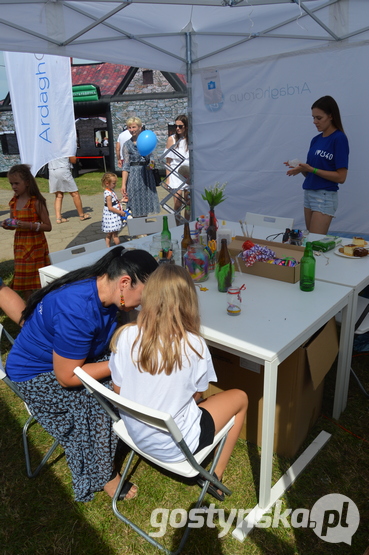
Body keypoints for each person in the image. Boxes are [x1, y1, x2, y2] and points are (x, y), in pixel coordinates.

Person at [5, 247, 158, 503]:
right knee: (103, 398)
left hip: (70, 361)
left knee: (125, 380)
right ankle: (103, 475)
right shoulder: (78, 310)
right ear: (124, 282)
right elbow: (67, 378)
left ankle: (130, 432)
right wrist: (123, 362)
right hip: (37, 376)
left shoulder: (103, 289)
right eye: (144, 296)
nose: (144, 303)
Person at [110, 264, 248, 501]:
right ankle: (216, 473)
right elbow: (198, 393)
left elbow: (118, 389)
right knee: (241, 398)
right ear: (189, 300)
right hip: (176, 444)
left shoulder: (125, 336)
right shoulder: (194, 344)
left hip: (135, 433)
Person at [285, 96, 349, 234]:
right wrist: (302, 168)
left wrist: (311, 169)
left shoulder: (339, 139)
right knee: (310, 241)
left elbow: (341, 177)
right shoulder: (316, 140)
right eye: (313, 118)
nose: (315, 122)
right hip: (309, 193)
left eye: (319, 118)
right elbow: (312, 173)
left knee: (314, 243)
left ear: (331, 116)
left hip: (325, 196)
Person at [1, 164, 52, 300]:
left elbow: (48, 226)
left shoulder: (36, 202)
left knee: (38, 279)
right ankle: (30, 306)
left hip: (36, 247)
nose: (14, 187)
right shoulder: (14, 202)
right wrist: (8, 225)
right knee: (24, 281)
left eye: (17, 183)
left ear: (27, 183)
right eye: (11, 184)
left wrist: (29, 225)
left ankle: (43, 303)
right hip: (21, 247)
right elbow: (14, 223)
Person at [121, 117, 160, 218]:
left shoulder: (147, 140)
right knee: (135, 203)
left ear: (140, 127)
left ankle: (144, 229)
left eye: (134, 127)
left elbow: (152, 158)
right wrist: (123, 184)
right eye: (129, 127)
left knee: (145, 203)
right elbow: (126, 165)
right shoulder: (126, 145)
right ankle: (137, 231)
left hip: (146, 173)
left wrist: (151, 165)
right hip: (134, 176)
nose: (131, 130)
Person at [48, 156, 91, 223]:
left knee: (58, 195)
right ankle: (82, 215)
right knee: (75, 193)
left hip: (52, 170)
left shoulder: (50, 146)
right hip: (63, 169)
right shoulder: (66, 146)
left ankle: (58, 218)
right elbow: (73, 160)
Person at [165, 115, 190, 222]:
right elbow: (168, 161)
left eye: (180, 126)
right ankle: (178, 223)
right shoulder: (172, 139)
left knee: (189, 202)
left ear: (186, 127)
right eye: (176, 126)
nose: (178, 128)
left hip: (188, 173)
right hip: (175, 173)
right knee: (178, 201)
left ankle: (188, 225)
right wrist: (168, 179)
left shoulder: (191, 139)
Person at [101, 172, 125, 247]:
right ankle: (118, 247)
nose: (115, 185)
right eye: (114, 183)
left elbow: (114, 201)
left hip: (113, 215)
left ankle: (107, 246)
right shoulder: (108, 194)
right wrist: (120, 212)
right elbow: (110, 207)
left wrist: (121, 200)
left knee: (110, 233)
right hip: (111, 216)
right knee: (114, 234)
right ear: (107, 183)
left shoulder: (111, 191)